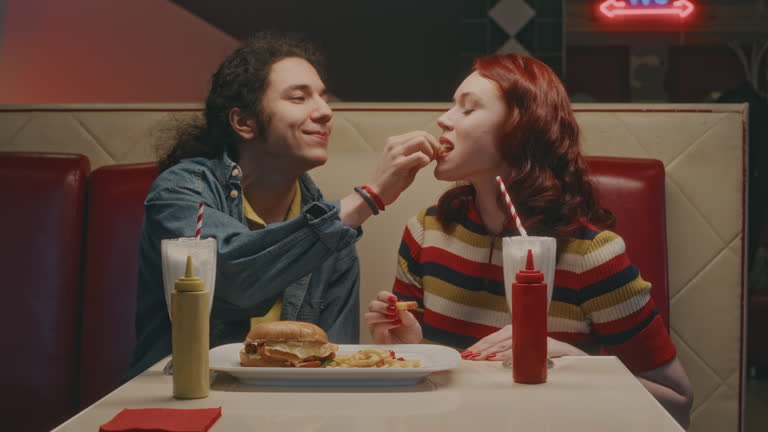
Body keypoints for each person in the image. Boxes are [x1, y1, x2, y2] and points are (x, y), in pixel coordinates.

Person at [364, 54, 694, 428]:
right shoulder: (427, 232)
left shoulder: (591, 255)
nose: (444, 119)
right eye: (452, 105)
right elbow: (428, 388)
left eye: (468, 109)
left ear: (520, 129)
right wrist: (404, 346)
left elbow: (677, 403)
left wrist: (573, 361)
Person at [126, 32, 439, 380]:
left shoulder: (335, 238)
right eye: (299, 98)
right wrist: (367, 199)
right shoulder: (182, 192)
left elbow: (331, 366)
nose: (324, 112)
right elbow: (235, 284)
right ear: (244, 122)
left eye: (322, 97)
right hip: (176, 404)